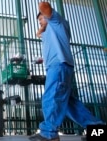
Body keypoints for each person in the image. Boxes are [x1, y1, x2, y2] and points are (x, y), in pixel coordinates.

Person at [29, 2, 105, 141]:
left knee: (51, 97)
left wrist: (45, 15)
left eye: (41, 19)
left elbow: (43, 6)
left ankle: (49, 133)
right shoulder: (48, 32)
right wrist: (41, 28)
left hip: (59, 65)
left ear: (48, 16)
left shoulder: (57, 21)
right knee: (70, 104)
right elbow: (38, 34)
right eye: (38, 20)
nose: (40, 22)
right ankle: (98, 129)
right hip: (59, 67)